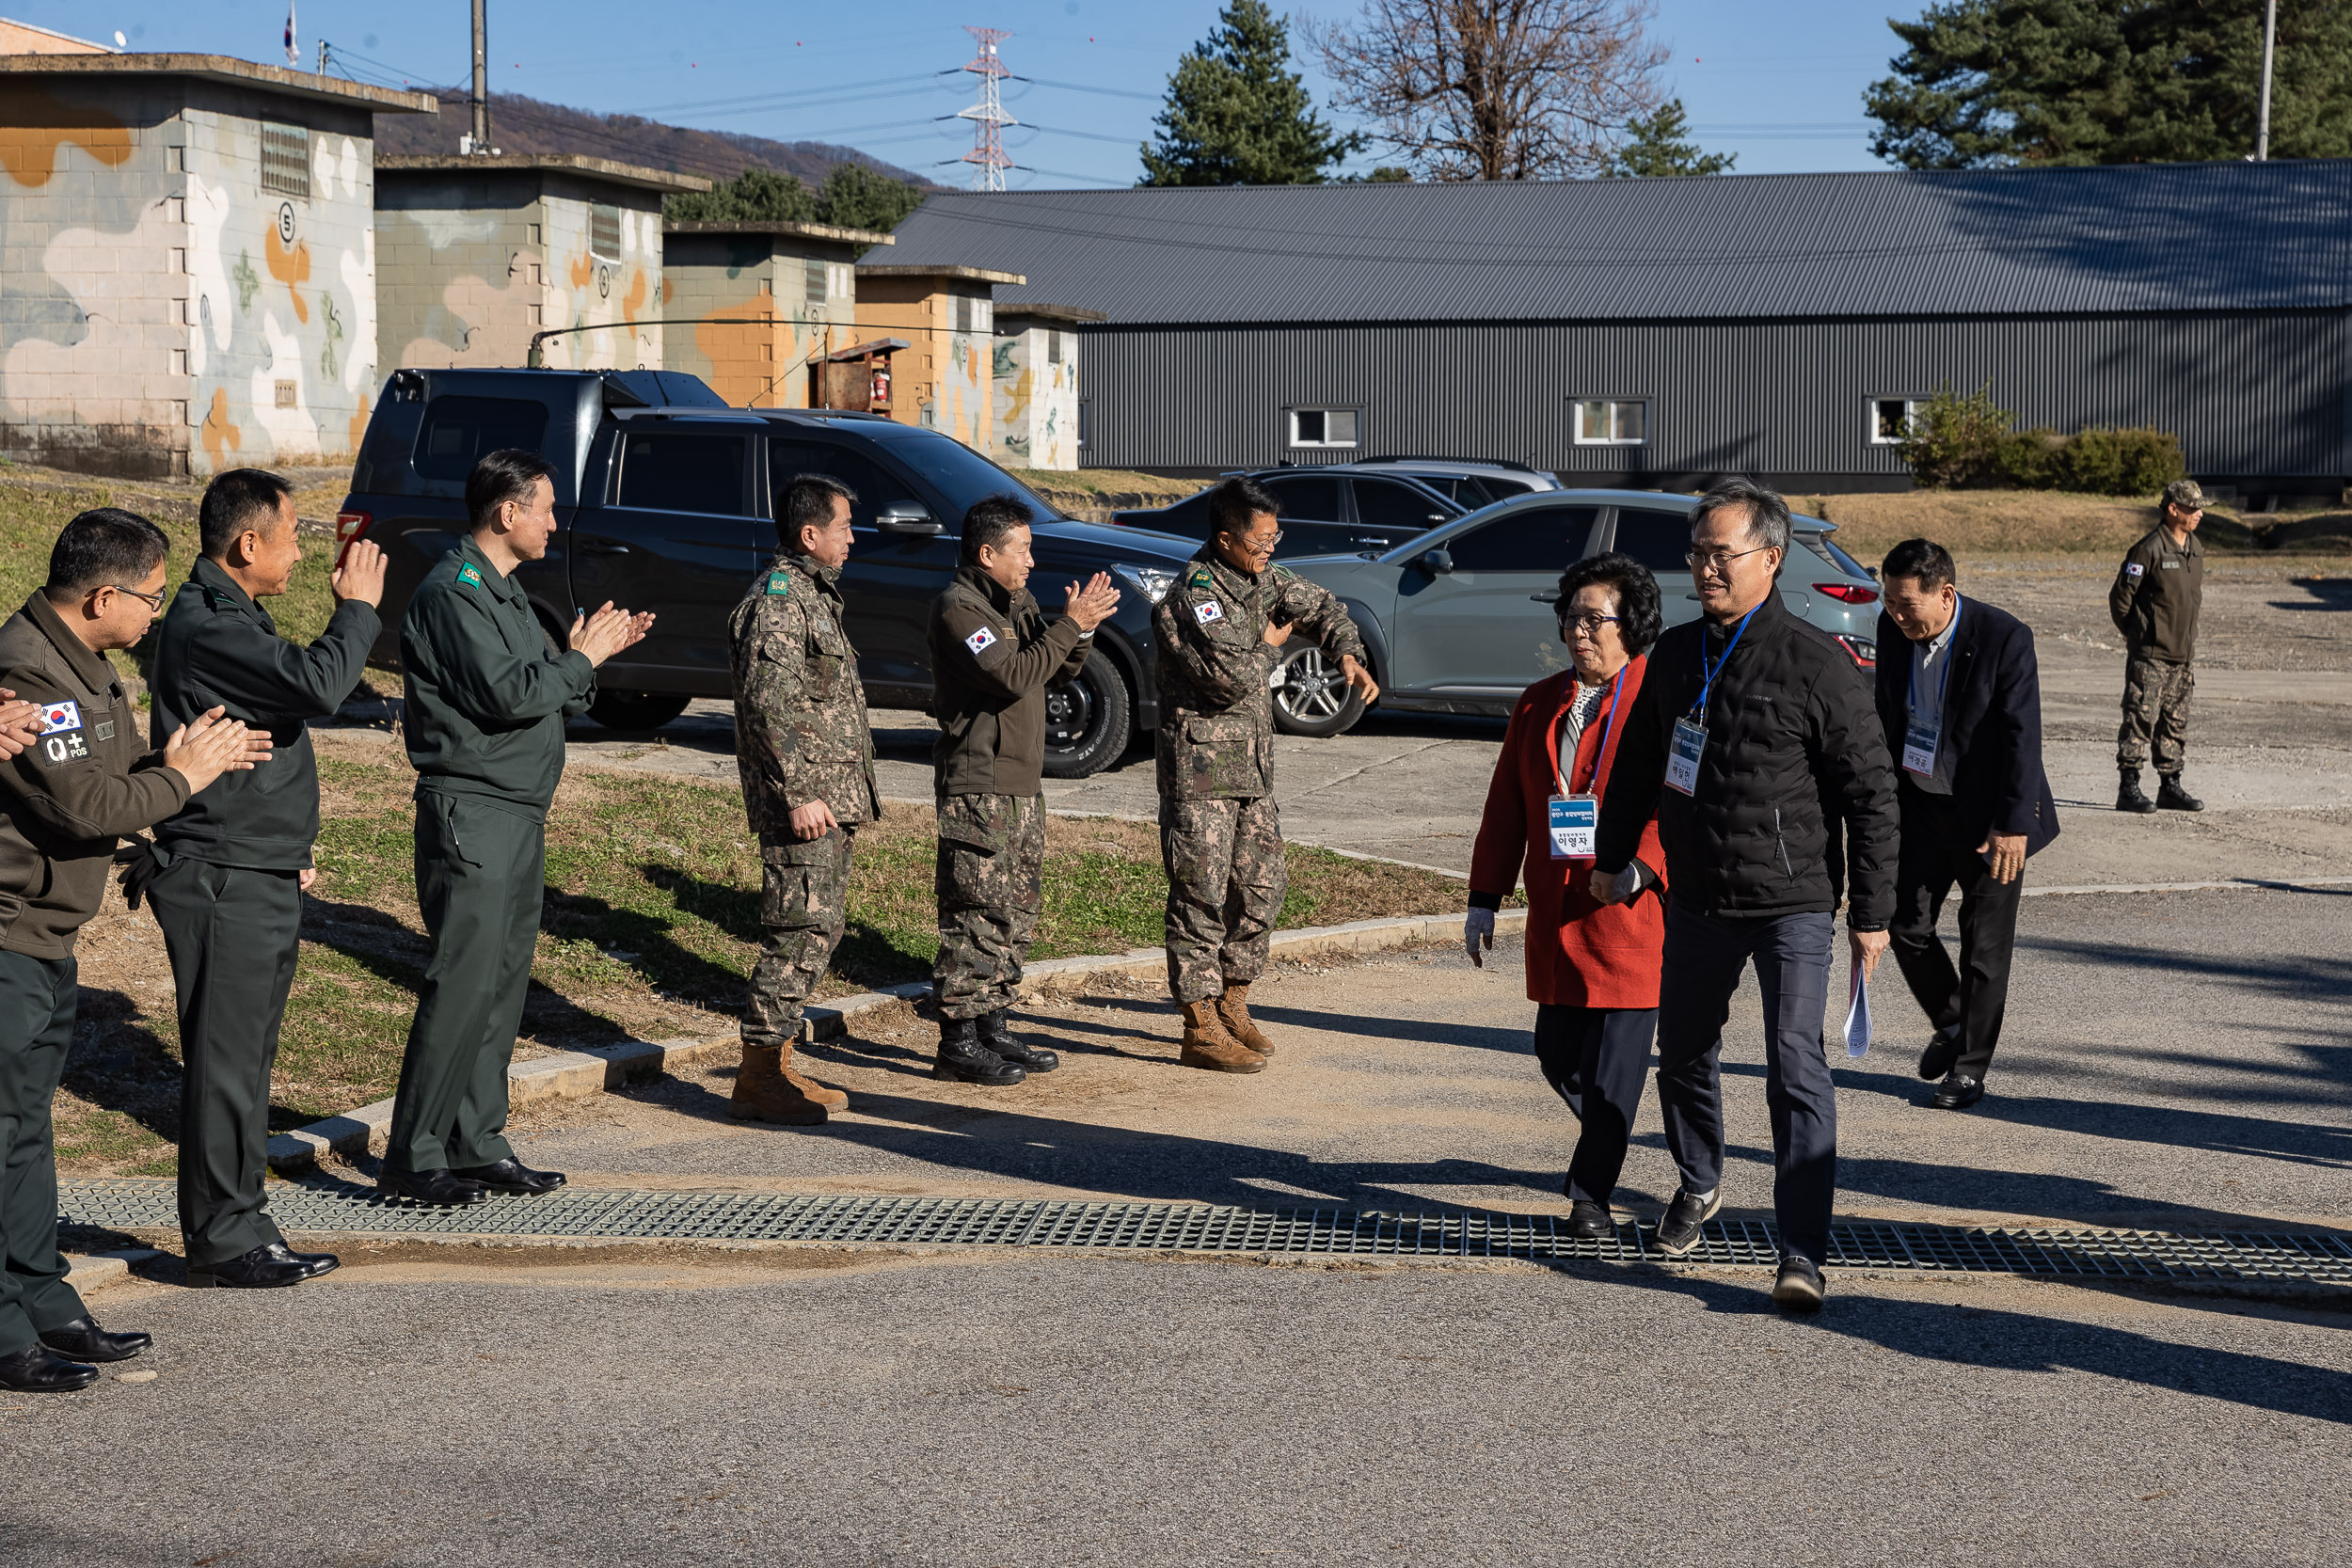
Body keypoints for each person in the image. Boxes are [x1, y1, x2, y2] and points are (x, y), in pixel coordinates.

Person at [1592, 478, 1898, 1313]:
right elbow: (1636, 768)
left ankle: (1801, 1252)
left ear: (1771, 557)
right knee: (1684, 1049)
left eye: (1719, 552)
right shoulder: (1676, 655)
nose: (1704, 567)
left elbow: (1872, 794)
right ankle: (1700, 1179)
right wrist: (1610, 856)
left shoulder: (1817, 664)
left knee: (1795, 1067)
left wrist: (1872, 912)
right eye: (1696, 552)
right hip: (1695, 898)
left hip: (1791, 901)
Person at [0, 507, 264, 1391]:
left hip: (44, 938)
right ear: (102, 595)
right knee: (2, 1131)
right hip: (8, 939)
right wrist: (185, 773)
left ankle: (43, 1299)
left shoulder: (89, 666)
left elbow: (112, 785)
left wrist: (170, 762)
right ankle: (4, 1327)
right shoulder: (31, 675)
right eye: (150, 597)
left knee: (27, 1133)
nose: (159, 611)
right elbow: (88, 808)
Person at [135, 468, 389, 1287]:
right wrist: (357, 609)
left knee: (244, 1057)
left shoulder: (235, 614)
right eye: (291, 536)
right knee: (226, 1061)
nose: (299, 553)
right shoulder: (209, 623)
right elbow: (319, 684)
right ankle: (222, 1235)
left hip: (255, 865)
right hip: (221, 875)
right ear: (248, 543)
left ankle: (239, 1221)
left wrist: (289, 847)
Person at [382, 451, 651, 1207]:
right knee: (461, 984)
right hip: (474, 810)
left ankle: (475, 1140)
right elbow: (509, 693)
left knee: (499, 987)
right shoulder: (456, 591)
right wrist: (578, 657)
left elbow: (549, 692)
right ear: (508, 513)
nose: (553, 522)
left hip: (516, 811)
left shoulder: (502, 593)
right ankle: (415, 1150)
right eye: (544, 508)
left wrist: (588, 654)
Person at [1466, 553, 1669, 1238]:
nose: (1578, 630)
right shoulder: (1539, 700)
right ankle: (1610, 1141)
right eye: (1571, 616)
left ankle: (1590, 1199)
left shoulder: (1658, 698)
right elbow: (1505, 808)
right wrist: (1483, 896)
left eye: (1594, 619)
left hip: (1626, 915)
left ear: (1630, 625)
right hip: (1557, 917)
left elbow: (1676, 805)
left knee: (1613, 1078)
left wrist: (1641, 866)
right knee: (1556, 1054)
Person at [1152, 476, 1378, 1072]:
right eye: (1261, 540)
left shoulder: (1263, 579)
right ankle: (1199, 1024)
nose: (1270, 550)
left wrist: (1346, 652)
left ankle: (1234, 1001)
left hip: (1252, 771)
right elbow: (1227, 678)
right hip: (1201, 771)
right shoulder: (1195, 594)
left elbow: (1327, 606)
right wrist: (1275, 642)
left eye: (1275, 538)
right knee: (1199, 894)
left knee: (1262, 886)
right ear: (1226, 540)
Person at [926, 494, 1120, 1085]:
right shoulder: (959, 610)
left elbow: (1055, 667)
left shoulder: (1017, 603)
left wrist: (1080, 631)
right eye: (1023, 549)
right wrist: (1070, 626)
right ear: (988, 553)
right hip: (979, 783)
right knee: (976, 911)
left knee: (1015, 910)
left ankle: (994, 1026)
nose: (1032, 561)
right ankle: (958, 1040)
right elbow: (1013, 674)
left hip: (1021, 782)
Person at [1875, 539, 2059, 1112]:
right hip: (1923, 806)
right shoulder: (1893, 631)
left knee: (1984, 948)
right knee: (1903, 924)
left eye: (1908, 604)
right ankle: (1954, 1022)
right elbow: (1889, 716)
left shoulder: (2004, 637)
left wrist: (2013, 824)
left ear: (1945, 593)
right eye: (1890, 602)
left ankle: (1971, 1068)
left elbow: (2020, 738)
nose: (1898, 615)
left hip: (1990, 819)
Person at [727, 472, 880, 1123]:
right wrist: (802, 790)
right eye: (843, 525)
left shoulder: (815, 597)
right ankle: (758, 1073)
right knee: (798, 930)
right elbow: (771, 702)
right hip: (806, 802)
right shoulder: (782, 600)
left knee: (820, 927)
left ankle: (779, 1060)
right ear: (809, 533)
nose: (852, 536)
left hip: (829, 798)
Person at [2109, 477, 2208, 814]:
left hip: (2182, 656)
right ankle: (2129, 788)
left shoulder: (2195, 547)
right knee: (2140, 719)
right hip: (2151, 657)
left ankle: (2170, 785)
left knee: (2175, 722)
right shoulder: (2149, 548)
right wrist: (2136, 635)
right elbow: (2121, 598)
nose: (2199, 515)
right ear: (2172, 509)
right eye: (2193, 509)